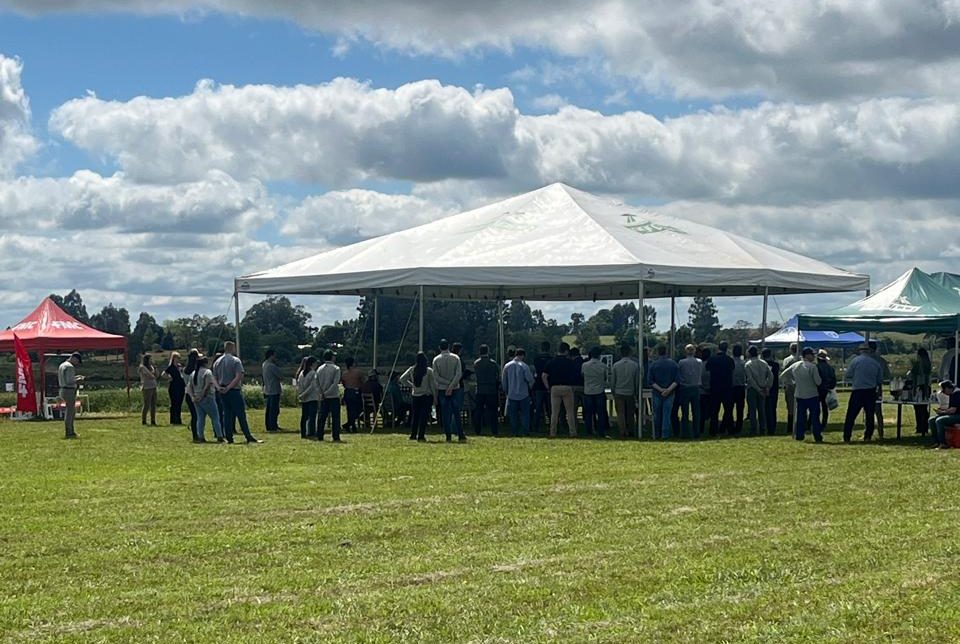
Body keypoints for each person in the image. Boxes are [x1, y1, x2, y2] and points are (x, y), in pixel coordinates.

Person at [212, 342, 261, 444]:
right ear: (232, 348)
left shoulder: (217, 362)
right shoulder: (235, 360)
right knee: (240, 414)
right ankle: (248, 435)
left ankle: (229, 437)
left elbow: (214, 377)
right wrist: (229, 387)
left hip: (222, 390)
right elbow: (238, 376)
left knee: (227, 414)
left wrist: (218, 387)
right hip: (233, 390)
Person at [842, 342, 883, 443]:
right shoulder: (875, 363)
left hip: (858, 390)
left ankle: (847, 436)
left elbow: (848, 375)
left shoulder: (855, 361)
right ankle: (868, 436)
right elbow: (879, 380)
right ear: (869, 351)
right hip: (870, 391)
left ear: (860, 351)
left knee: (851, 415)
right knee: (869, 415)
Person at [782, 347, 823, 442]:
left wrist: (792, 382)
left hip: (799, 394)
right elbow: (818, 382)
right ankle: (817, 436)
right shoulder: (812, 367)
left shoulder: (795, 365)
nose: (814, 356)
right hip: (812, 394)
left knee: (800, 417)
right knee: (815, 417)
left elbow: (783, 375)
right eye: (812, 354)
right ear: (807, 355)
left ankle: (799, 435)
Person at [543, 342, 579, 438]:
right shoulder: (570, 362)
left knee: (554, 413)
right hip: (567, 387)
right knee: (570, 412)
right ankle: (572, 432)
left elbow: (544, 375)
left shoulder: (551, 362)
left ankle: (553, 432)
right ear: (566, 351)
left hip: (554, 387)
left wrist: (547, 387)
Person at [433, 339, 465, 442]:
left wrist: (446, 384)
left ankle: (448, 435)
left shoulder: (436, 360)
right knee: (457, 412)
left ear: (439, 347)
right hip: (455, 388)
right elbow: (458, 374)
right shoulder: (456, 358)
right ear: (449, 346)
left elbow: (436, 376)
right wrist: (451, 385)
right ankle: (460, 434)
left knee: (445, 413)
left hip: (442, 389)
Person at [187, 355, 223, 443]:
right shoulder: (207, 372)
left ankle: (200, 436)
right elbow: (207, 386)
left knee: (200, 418)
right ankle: (219, 436)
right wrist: (202, 395)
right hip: (207, 398)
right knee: (215, 418)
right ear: (205, 363)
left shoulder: (193, 373)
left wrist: (193, 397)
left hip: (196, 399)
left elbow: (189, 387)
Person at [400, 352, 436, 442]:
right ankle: (421, 435)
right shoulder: (428, 371)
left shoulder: (412, 369)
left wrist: (411, 385)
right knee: (423, 417)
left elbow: (402, 379)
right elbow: (432, 385)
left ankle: (413, 434)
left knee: (415, 416)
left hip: (415, 395)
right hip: (426, 396)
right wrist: (435, 397)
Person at [648, 344, 679, 439]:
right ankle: (665, 434)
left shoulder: (653, 364)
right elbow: (677, 380)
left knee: (657, 414)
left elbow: (650, 381)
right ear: (666, 352)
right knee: (667, 414)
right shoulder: (673, 364)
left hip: (657, 392)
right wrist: (668, 390)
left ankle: (657, 433)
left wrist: (661, 389)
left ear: (658, 352)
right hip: (670, 392)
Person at [502, 348, 534, 436]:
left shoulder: (507, 366)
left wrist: (506, 391)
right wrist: (530, 389)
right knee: (525, 414)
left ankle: (514, 431)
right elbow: (530, 380)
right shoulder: (524, 366)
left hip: (511, 394)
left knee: (513, 415)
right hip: (523, 394)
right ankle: (525, 431)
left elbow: (504, 381)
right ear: (523, 355)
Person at [705, 342, 735, 436]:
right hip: (727, 387)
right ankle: (728, 428)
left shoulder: (712, 359)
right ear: (726, 349)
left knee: (714, 410)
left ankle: (713, 430)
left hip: (715, 387)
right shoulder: (730, 360)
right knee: (728, 410)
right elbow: (732, 370)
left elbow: (707, 369)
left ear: (718, 348)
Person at [611, 343, 640, 438]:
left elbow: (613, 380)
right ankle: (631, 430)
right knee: (630, 414)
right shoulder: (635, 365)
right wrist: (636, 392)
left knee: (621, 413)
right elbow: (636, 381)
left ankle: (622, 431)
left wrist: (613, 391)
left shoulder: (615, 365)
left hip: (619, 392)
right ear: (630, 353)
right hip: (630, 392)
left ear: (620, 353)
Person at [581, 346, 610, 438]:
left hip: (588, 391)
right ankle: (601, 431)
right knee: (601, 413)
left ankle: (589, 431)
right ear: (599, 355)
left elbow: (582, 376)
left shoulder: (584, 365)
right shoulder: (603, 366)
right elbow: (605, 378)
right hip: (599, 391)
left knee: (588, 413)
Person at [471, 344, 499, 435]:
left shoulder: (476, 363)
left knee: (478, 410)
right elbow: (497, 376)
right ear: (488, 351)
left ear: (479, 352)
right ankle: (494, 430)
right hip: (491, 389)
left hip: (480, 389)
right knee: (493, 411)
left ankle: (477, 430)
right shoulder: (493, 363)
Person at [315, 350, 342, 442]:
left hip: (323, 396)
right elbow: (335, 383)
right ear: (332, 357)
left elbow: (316, 382)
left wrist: (321, 393)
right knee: (335, 417)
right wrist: (327, 393)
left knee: (322, 417)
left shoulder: (319, 369)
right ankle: (335, 435)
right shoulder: (336, 368)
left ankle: (319, 435)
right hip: (333, 395)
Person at [744, 346, 772, 435]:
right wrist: (767, 386)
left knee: (752, 410)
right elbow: (770, 376)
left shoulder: (748, 364)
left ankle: (753, 429)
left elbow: (750, 379)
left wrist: (758, 389)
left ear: (749, 353)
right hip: (763, 387)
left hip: (752, 389)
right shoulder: (764, 363)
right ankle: (763, 429)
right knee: (762, 410)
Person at [677, 344, 702, 439]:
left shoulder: (681, 362)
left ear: (686, 351)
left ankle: (685, 433)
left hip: (685, 388)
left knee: (685, 412)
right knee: (696, 412)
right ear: (694, 351)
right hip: (696, 388)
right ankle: (696, 432)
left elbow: (679, 374)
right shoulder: (699, 362)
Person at [57, 352, 83, 439]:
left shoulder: (62, 365)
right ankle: (70, 432)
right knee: (70, 412)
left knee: (68, 411)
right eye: (77, 361)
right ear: (74, 358)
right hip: (69, 390)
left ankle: (69, 431)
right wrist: (79, 379)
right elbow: (69, 381)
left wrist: (75, 377)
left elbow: (66, 378)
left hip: (62, 389)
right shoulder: (70, 367)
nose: (77, 363)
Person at [867, 340, 890, 437]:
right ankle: (881, 432)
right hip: (878, 387)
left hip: (868, 386)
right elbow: (887, 375)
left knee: (869, 411)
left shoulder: (866, 360)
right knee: (878, 411)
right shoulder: (881, 360)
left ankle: (868, 432)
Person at [928, 380, 960, 449]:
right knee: (931, 420)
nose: (943, 393)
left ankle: (943, 443)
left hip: (958, 416)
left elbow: (953, 410)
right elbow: (951, 408)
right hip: (954, 414)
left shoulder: (957, 394)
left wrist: (942, 412)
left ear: (948, 388)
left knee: (940, 420)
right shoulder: (952, 394)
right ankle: (936, 442)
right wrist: (942, 410)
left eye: (943, 391)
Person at [296, 356, 319, 439]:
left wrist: (301, 394)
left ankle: (303, 432)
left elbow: (299, 385)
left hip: (304, 398)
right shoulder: (313, 373)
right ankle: (311, 432)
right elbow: (312, 386)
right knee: (312, 416)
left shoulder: (301, 373)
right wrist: (304, 394)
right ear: (312, 364)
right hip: (312, 397)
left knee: (304, 416)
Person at [911, 347, 933, 434]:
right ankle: (925, 427)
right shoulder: (928, 364)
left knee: (918, 408)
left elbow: (913, 377)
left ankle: (920, 427)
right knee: (924, 408)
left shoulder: (917, 365)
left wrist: (913, 389)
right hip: (927, 387)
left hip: (919, 386)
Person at [532, 341, 553, 432]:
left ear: (541, 348)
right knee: (550, 408)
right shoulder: (551, 359)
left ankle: (536, 426)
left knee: (538, 407)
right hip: (549, 385)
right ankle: (552, 425)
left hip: (538, 385)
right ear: (549, 348)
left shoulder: (536, 359)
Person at [261, 348, 283, 433]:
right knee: (274, 409)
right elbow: (280, 376)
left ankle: (269, 425)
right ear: (271, 355)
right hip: (274, 389)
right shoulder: (272, 366)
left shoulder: (264, 364)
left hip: (267, 389)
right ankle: (273, 425)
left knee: (269, 409)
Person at [340, 356, 364, 433]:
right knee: (358, 409)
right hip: (356, 392)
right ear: (353, 363)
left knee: (350, 410)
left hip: (347, 392)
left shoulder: (344, 374)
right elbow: (362, 381)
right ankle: (350, 424)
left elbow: (343, 383)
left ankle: (351, 425)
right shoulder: (358, 372)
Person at [162, 351, 186, 426]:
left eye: (179, 358)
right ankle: (173, 419)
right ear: (173, 358)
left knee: (179, 403)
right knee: (174, 403)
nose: (178, 359)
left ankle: (178, 419)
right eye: (177, 358)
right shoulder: (170, 367)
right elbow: (163, 374)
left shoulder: (179, 366)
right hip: (173, 387)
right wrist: (169, 378)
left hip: (181, 386)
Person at [816, 349, 837, 430]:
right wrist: (830, 387)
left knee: (815, 407)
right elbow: (834, 380)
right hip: (827, 389)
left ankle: (813, 422)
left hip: (818, 389)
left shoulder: (816, 367)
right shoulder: (830, 368)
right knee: (825, 408)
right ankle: (824, 423)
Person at [781, 343, 800, 435]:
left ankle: (790, 426)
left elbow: (784, 371)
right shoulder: (800, 359)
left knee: (790, 406)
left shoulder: (786, 360)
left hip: (789, 385)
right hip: (799, 385)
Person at [761, 347, 780, 435]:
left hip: (765, 388)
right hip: (774, 389)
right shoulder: (776, 365)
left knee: (765, 409)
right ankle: (773, 426)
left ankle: (766, 426)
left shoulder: (763, 365)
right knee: (773, 408)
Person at [183, 349, 200, 440]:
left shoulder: (185, 370)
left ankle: (195, 434)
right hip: (195, 394)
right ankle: (196, 435)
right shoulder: (196, 371)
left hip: (188, 394)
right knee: (197, 415)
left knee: (194, 415)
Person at [138, 354, 158, 426]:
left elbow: (156, 375)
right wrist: (153, 374)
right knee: (147, 404)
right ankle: (144, 420)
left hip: (153, 386)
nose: (151, 360)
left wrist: (155, 368)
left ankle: (153, 420)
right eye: (150, 359)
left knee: (153, 404)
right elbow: (150, 376)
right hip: (147, 387)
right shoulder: (142, 367)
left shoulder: (151, 367)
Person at [731, 344, 747, 434]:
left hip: (732, 387)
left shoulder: (730, 362)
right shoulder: (743, 363)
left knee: (729, 407)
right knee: (740, 408)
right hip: (741, 387)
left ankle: (730, 425)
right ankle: (739, 426)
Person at [569, 346, 585, 425]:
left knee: (573, 409)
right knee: (586, 408)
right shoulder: (584, 362)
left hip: (573, 387)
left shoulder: (571, 363)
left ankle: (574, 425)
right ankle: (588, 424)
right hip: (583, 387)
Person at [698, 347, 712, 436]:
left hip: (701, 391)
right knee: (710, 410)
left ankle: (700, 428)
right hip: (709, 391)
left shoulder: (699, 365)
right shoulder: (711, 365)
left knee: (701, 411)